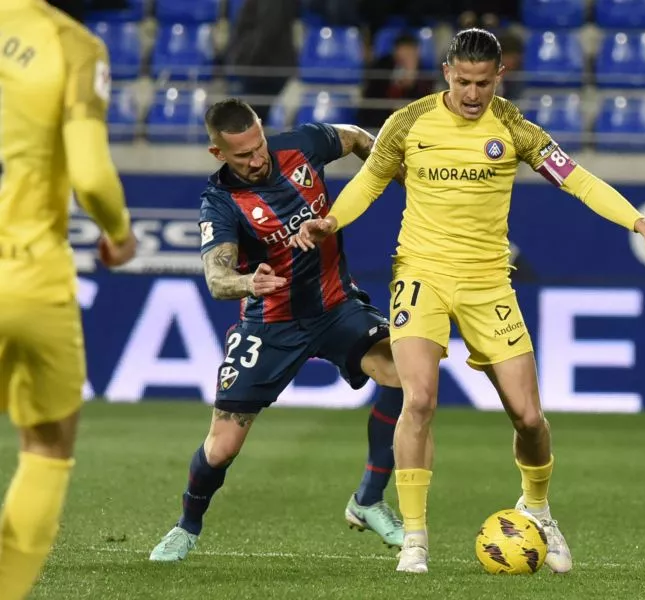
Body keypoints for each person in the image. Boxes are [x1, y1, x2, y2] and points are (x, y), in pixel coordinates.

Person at [292, 28, 645, 574]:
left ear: (499, 76)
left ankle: (538, 509)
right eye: (463, 81)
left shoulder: (514, 127)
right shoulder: (409, 123)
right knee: (419, 400)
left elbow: (577, 180)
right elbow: (369, 181)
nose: (473, 94)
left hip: (488, 284)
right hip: (421, 274)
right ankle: (415, 538)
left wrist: (641, 223)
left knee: (529, 418)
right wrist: (332, 220)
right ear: (446, 73)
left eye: (483, 83)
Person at [148, 99, 408, 562]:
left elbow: (356, 138)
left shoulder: (301, 145)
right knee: (222, 447)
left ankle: (368, 499)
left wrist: (402, 176)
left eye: (258, 146)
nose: (256, 159)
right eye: (242, 155)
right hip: (270, 323)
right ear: (218, 154)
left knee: (407, 374)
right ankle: (186, 526)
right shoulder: (220, 203)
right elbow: (217, 278)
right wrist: (249, 282)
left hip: (335, 306)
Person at [0, 2, 138, 599]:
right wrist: (120, 233)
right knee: (46, 445)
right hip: (27, 271)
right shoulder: (73, 46)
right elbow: (90, 175)